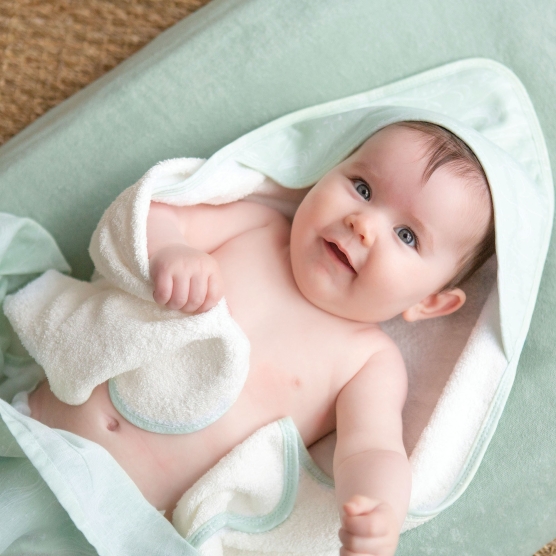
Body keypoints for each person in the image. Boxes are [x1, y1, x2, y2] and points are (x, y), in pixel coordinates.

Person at [28, 121, 494, 556]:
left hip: (118, 525)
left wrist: (381, 508)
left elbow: (373, 448)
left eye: (407, 236)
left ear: (430, 303)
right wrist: (172, 248)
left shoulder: (368, 360)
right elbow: (156, 212)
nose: (364, 224)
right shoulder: (258, 229)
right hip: (35, 432)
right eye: (362, 187)